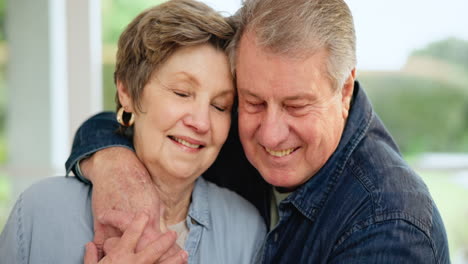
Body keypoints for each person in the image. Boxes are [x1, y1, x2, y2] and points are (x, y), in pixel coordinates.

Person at [65, 0, 451, 263]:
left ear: (344, 89)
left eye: (296, 105)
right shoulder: (220, 127)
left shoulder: (390, 224)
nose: (270, 134)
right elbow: (125, 119)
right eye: (251, 102)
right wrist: (115, 163)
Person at [0, 1, 266, 263]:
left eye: (220, 106)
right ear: (126, 92)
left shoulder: (246, 231)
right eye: (181, 93)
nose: (201, 123)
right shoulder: (40, 211)